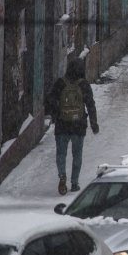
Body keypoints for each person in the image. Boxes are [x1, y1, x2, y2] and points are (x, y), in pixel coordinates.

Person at [47, 58, 99, 195]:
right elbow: (90, 105)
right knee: (77, 155)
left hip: (62, 125)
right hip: (78, 126)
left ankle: (62, 175)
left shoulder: (60, 83)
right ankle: (74, 183)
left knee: (61, 154)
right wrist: (94, 123)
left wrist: (56, 114)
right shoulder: (84, 85)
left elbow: (50, 100)